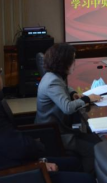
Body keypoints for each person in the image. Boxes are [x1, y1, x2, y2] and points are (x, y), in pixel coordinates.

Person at [0, 55, 95, 183]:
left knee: (75, 163)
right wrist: (38, 163)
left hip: (16, 163)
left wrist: (39, 160)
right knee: (87, 180)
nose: (1, 75)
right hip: (11, 175)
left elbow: (10, 143)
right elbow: (16, 148)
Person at [35, 43, 101, 173]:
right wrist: (87, 99)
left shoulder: (52, 76)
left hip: (58, 130)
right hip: (55, 135)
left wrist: (72, 93)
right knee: (95, 150)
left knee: (98, 141)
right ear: (63, 63)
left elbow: (63, 87)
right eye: (73, 60)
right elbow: (67, 108)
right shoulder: (52, 81)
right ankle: (85, 178)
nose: (75, 64)